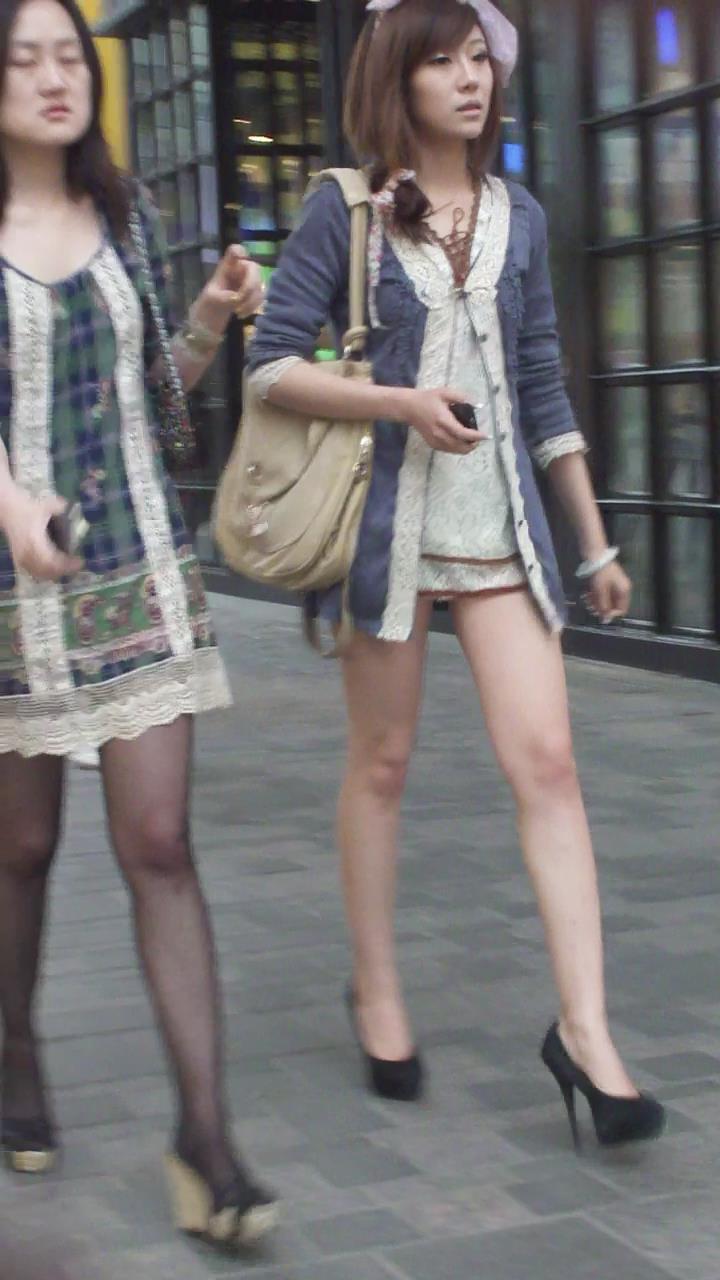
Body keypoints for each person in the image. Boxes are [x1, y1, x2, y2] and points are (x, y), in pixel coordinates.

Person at [246, 0, 665, 1149]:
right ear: (400, 78)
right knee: (382, 764)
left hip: (500, 535)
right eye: (441, 61)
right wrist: (398, 402)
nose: (469, 78)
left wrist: (594, 542)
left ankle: (587, 1031)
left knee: (551, 764)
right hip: (386, 532)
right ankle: (377, 987)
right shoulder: (345, 208)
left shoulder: (520, 215)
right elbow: (271, 366)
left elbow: (542, 383)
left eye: (479, 56)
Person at [0, 0, 277, 1246]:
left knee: (159, 840)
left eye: (69, 55)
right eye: (24, 59)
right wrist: (12, 507)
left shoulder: (126, 215)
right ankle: (15, 1050)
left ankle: (206, 1141)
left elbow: (164, 408)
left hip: (140, 566)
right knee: (20, 847)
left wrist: (211, 311)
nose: (55, 77)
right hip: (12, 586)